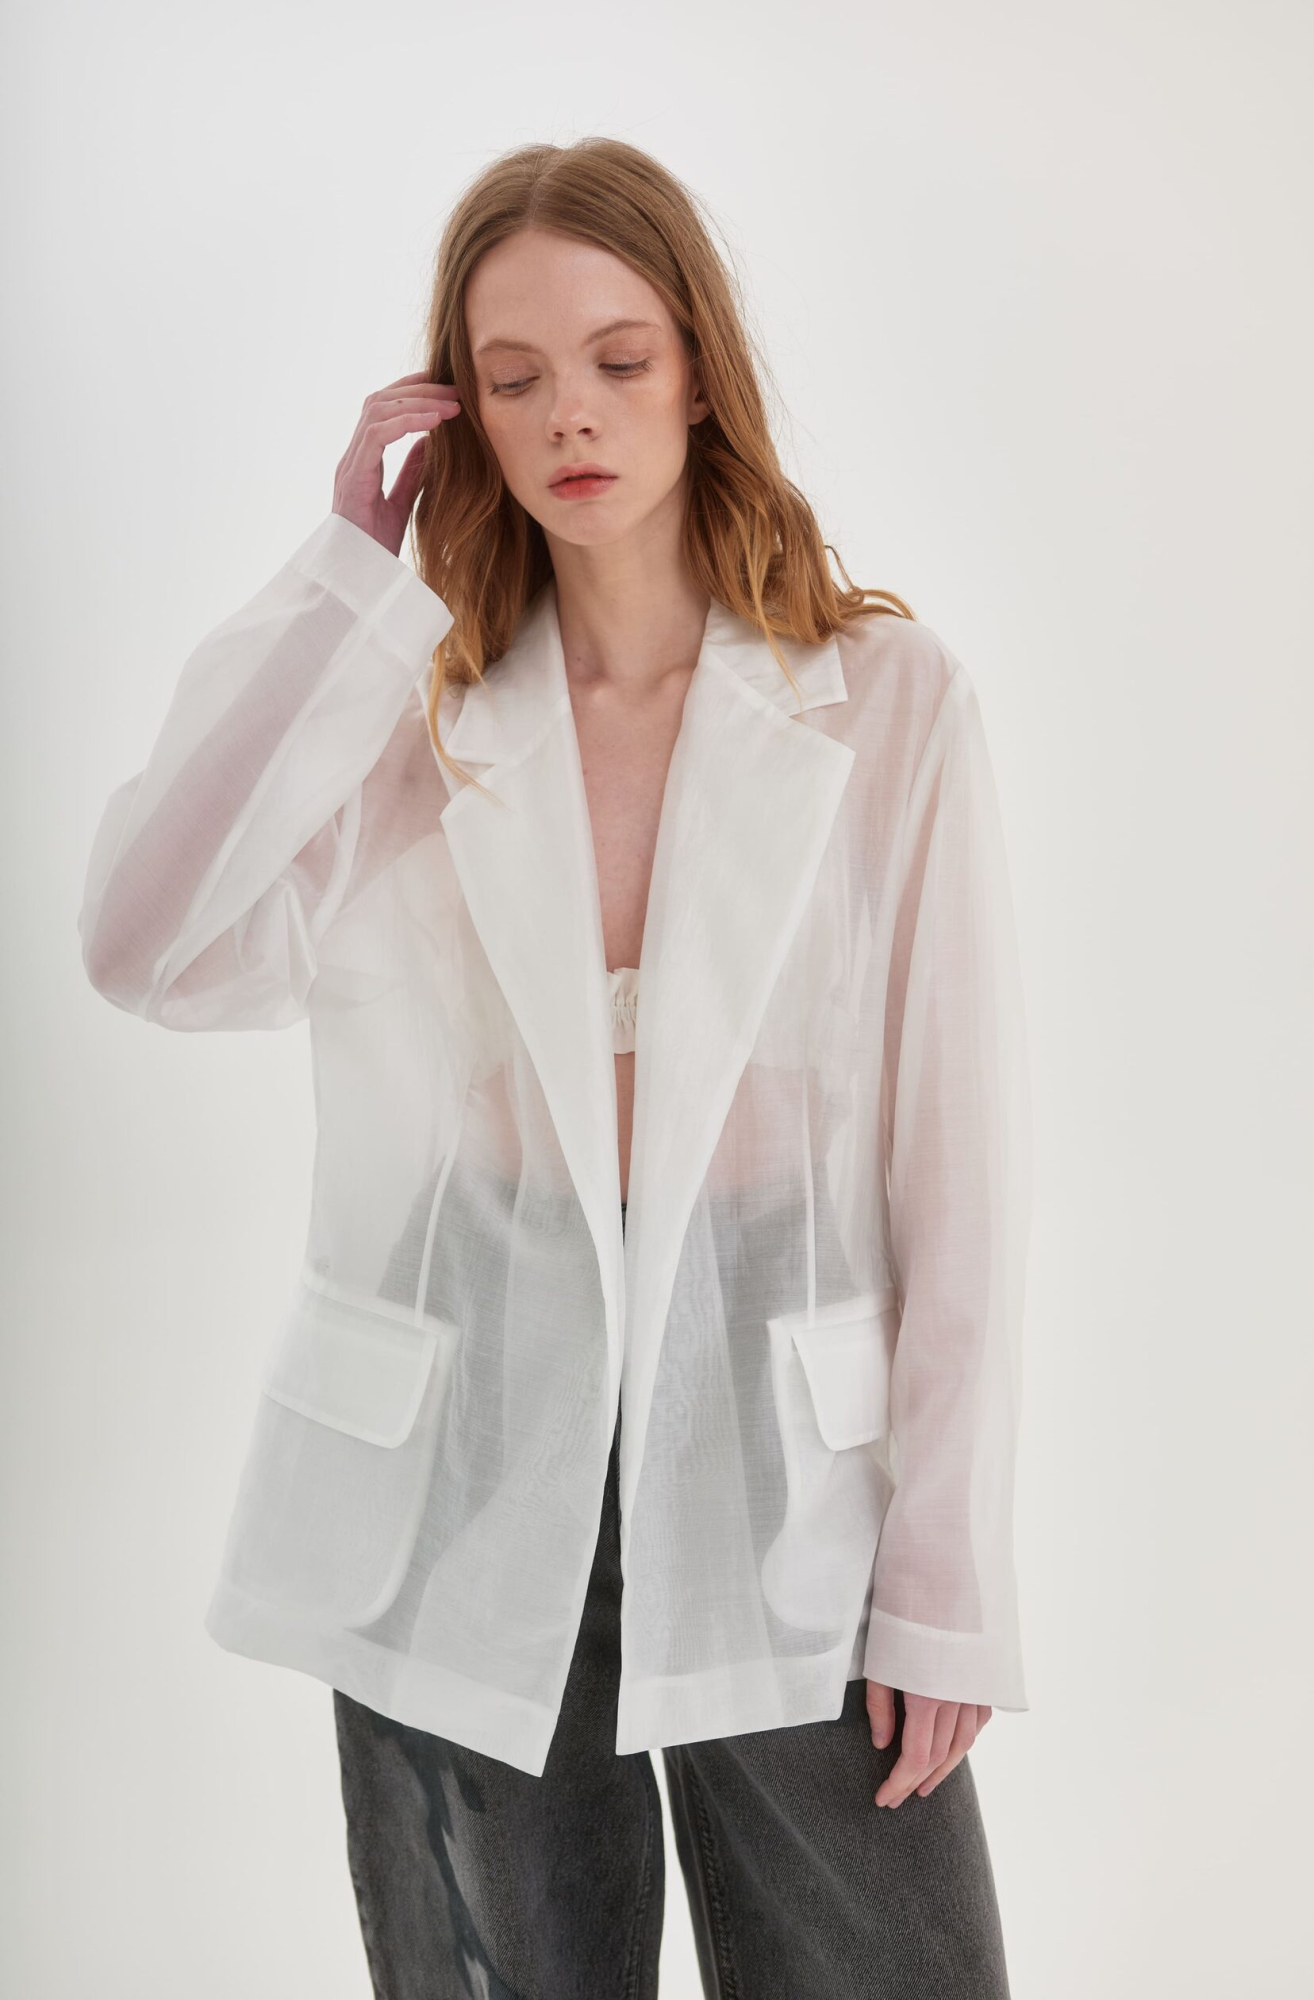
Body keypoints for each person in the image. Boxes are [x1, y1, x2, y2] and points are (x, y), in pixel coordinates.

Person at [78, 136, 1033, 1998]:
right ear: (462, 413)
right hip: (462, 1452)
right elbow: (148, 946)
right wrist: (346, 591)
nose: (568, 413)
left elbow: (961, 1169)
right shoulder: (406, 713)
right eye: (509, 377)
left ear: (699, 373)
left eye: (616, 357)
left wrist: (943, 1578)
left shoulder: (884, 703)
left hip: (777, 1462)